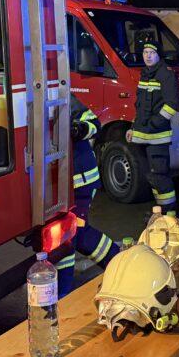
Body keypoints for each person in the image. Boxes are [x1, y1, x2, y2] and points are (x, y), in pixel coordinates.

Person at [57, 94, 117, 296]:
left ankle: (63, 294)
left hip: (80, 182)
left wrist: (80, 129)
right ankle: (118, 262)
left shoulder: (62, 94)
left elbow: (94, 124)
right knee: (79, 234)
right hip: (61, 185)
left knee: (67, 237)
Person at [127, 41, 179, 211]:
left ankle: (169, 214)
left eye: (152, 52)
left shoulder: (166, 74)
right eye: (145, 52)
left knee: (160, 176)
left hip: (158, 137)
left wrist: (155, 124)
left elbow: (172, 105)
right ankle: (160, 211)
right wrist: (133, 128)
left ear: (159, 55)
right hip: (142, 136)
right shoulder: (145, 74)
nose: (148, 56)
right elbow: (140, 107)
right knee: (151, 176)